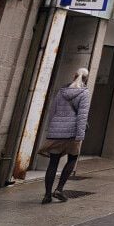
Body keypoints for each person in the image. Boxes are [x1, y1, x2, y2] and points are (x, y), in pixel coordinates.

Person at [38, 68, 91, 205]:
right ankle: (59, 189)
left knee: (53, 162)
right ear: (86, 79)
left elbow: (52, 111)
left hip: (56, 131)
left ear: (74, 76)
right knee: (72, 158)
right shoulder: (84, 93)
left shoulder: (61, 92)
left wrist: (51, 129)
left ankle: (47, 195)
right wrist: (80, 136)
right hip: (72, 133)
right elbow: (82, 117)